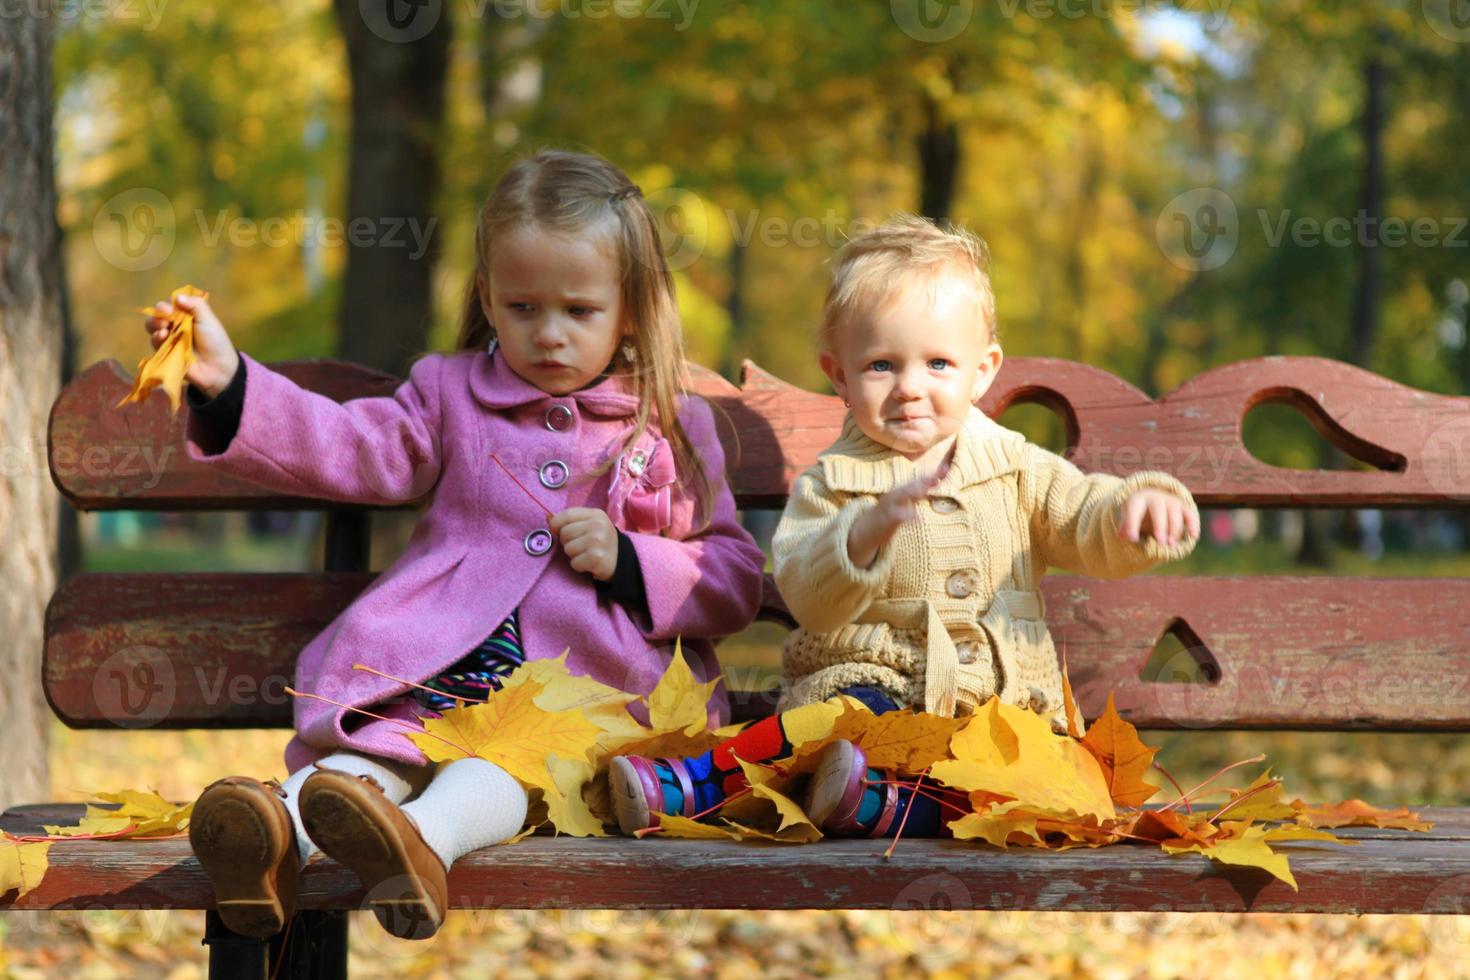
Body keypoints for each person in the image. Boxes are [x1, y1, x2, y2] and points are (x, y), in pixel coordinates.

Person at [147, 150, 767, 940]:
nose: (547, 335)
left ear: (632, 310)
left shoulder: (673, 423)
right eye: (522, 308)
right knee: (364, 767)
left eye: (578, 311)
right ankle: (269, 847)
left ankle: (422, 848)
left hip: (586, 704)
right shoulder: (450, 394)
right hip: (436, 685)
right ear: (487, 299)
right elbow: (350, 445)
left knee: (504, 768)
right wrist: (231, 381)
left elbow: (734, 575)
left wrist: (635, 560)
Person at [610, 214, 1200, 839]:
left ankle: (870, 804)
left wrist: (1134, 510)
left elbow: (1082, 512)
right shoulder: (835, 481)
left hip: (1002, 716)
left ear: (984, 368)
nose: (911, 388)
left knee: (1042, 787)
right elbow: (807, 593)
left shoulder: (1017, 467)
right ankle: (693, 784)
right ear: (839, 374)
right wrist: (859, 539)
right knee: (826, 723)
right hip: (872, 687)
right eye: (882, 365)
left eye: (939, 363)